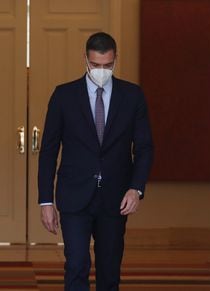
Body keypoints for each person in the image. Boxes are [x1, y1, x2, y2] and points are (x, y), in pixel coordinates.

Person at [38, 32, 153, 291]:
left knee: (109, 271)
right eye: (96, 65)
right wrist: (46, 200)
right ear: (85, 60)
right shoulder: (63, 96)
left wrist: (136, 188)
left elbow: (144, 147)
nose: (102, 70)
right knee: (77, 265)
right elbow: (48, 150)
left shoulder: (132, 96)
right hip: (74, 195)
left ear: (115, 60)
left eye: (108, 65)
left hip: (115, 198)